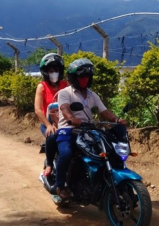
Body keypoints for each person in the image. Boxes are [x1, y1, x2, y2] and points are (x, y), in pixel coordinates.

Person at [54, 58, 127, 199]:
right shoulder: (65, 93)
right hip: (68, 130)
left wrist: (116, 120)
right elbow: (64, 108)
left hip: (87, 131)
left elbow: (104, 111)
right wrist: (71, 118)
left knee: (107, 152)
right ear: (74, 77)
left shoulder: (92, 95)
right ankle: (60, 186)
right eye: (82, 76)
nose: (85, 79)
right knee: (66, 153)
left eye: (87, 76)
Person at [34, 53, 68, 176]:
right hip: (47, 122)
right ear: (45, 72)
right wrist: (48, 125)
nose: (54, 73)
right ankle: (49, 163)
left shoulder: (65, 85)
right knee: (53, 135)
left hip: (64, 122)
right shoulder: (41, 87)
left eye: (56, 70)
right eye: (51, 70)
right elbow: (38, 109)